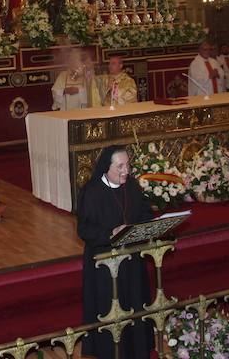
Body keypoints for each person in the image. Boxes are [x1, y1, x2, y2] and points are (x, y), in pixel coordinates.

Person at [77, 146, 154, 359]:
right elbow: (84, 229)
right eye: (120, 166)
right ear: (106, 167)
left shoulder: (132, 186)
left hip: (132, 261)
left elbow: (145, 213)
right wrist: (110, 233)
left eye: (127, 165)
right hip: (104, 264)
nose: (126, 171)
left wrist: (148, 226)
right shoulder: (92, 191)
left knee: (135, 303)